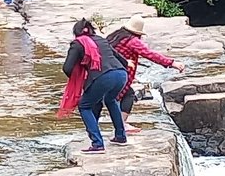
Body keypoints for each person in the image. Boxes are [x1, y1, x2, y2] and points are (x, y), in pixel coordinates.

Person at [57, 19, 128, 152]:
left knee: (84, 105)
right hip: (121, 74)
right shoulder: (101, 39)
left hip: (104, 77)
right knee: (110, 100)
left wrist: (79, 81)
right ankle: (120, 136)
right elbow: (122, 60)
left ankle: (97, 143)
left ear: (76, 33)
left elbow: (67, 68)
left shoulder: (77, 44)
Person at [106, 16, 186, 134]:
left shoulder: (115, 36)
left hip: (105, 72)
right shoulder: (133, 41)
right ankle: (121, 125)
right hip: (119, 75)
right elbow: (150, 54)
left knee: (115, 98)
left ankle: (115, 126)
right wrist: (172, 63)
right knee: (129, 95)